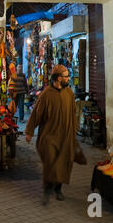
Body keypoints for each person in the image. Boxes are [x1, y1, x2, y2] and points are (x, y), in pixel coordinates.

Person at [24, 64, 78, 206]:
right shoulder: (46, 95)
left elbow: (73, 114)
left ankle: (58, 189)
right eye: (66, 76)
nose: (68, 78)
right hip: (49, 137)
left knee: (63, 163)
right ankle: (47, 190)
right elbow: (36, 114)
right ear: (59, 78)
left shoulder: (69, 94)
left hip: (65, 136)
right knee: (50, 163)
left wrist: (74, 131)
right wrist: (29, 131)